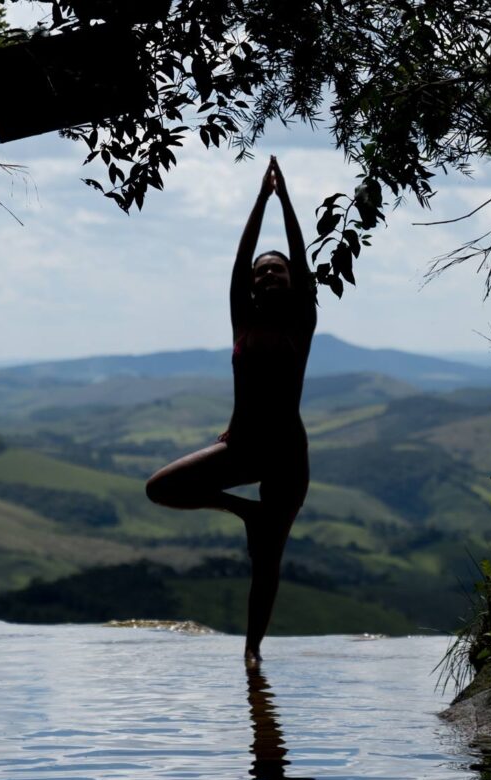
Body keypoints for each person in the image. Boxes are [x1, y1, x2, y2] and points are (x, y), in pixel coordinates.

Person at [146, 156, 317, 665]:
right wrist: (260, 199)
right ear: (252, 282)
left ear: (291, 279)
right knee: (161, 488)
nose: (268, 274)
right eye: (262, 271)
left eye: (277, 269)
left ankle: (252, 653)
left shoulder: (301, 321)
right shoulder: (242, 318)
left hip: (286, 455)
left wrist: (285, 199)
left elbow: (301, 256)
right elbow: (240, 261)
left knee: (267, 559)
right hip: (242, 446)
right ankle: (246, 512)